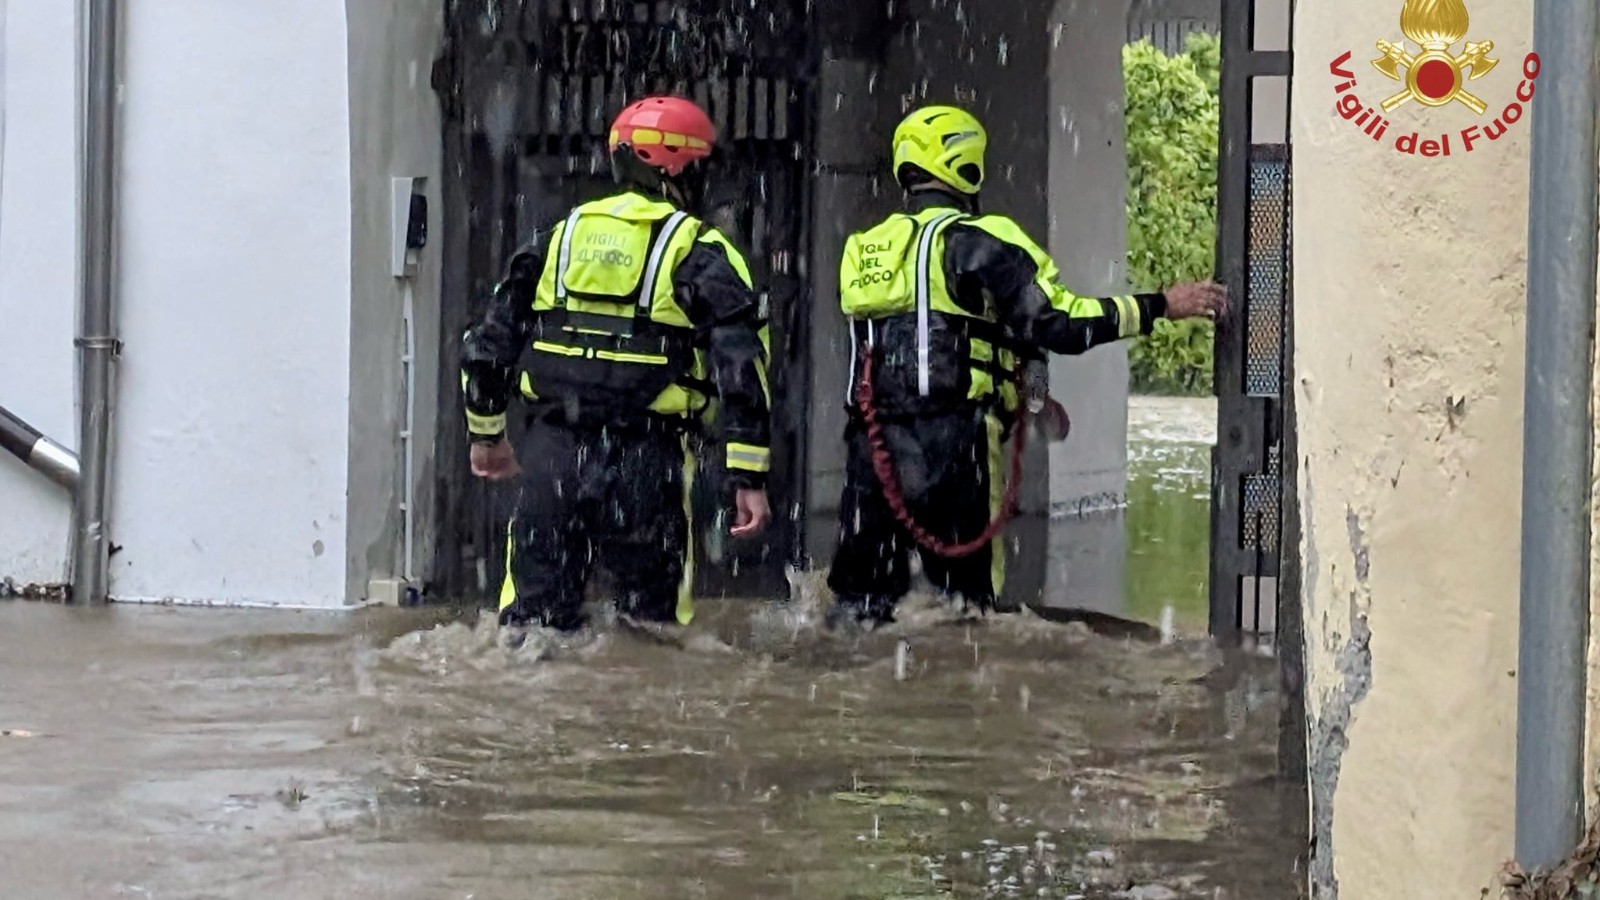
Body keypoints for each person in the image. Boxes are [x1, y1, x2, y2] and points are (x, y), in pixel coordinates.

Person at [826, 104, 1227, 632]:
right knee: (963, 613)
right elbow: (1053, 325)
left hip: (871, 453)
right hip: (957, 446)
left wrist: (1035, 398)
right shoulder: (985, 241)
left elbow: (998, 334)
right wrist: (1159, 305)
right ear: (966, 164)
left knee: (860, 608)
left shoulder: (864, 248)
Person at [460, 95, 773, 644]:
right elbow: (741, 365)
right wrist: (748, 474)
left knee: (529, 634)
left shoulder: (556, 238)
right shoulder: (700, 249)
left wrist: (487, 435)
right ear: (677, 167)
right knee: (650, 635)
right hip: (648, 462)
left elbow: (489, 344)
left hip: (552, 453)